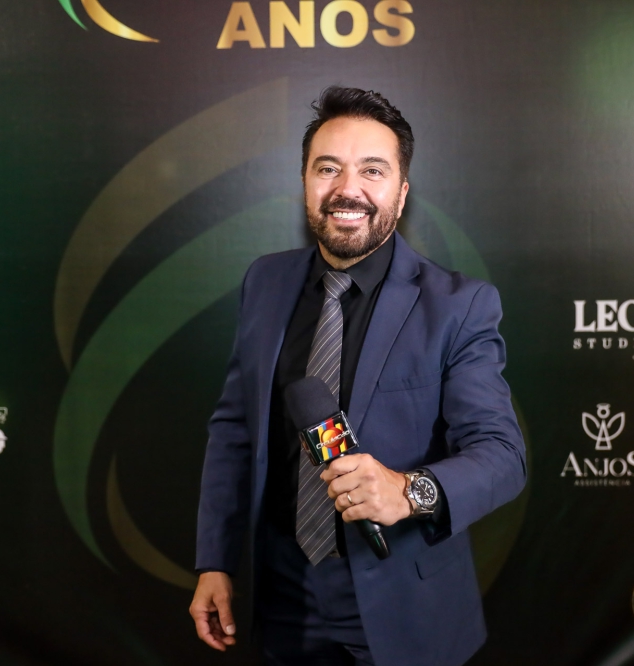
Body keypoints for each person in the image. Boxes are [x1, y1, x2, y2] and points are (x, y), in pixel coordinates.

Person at [190, 86, 526, 666]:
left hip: (405, 611)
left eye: (373, 170)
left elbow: (503, 456)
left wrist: (407, 490)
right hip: (282, 602)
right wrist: (214, 561)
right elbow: (234, 433)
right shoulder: (265, 282)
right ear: (304, 182)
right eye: (328, 168)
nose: (348, 189)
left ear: (402, 190)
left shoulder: (459, 305)